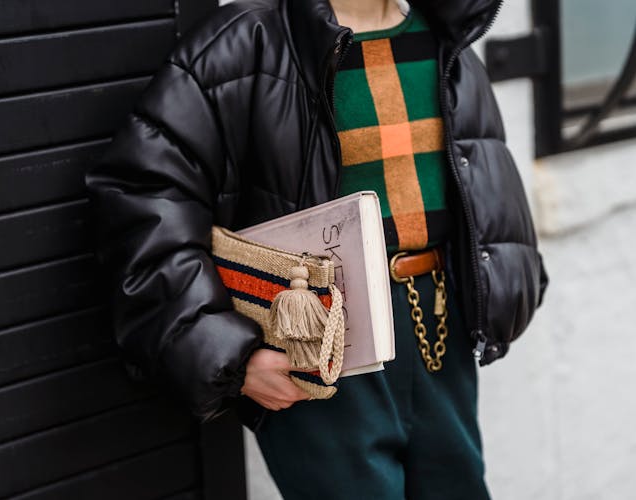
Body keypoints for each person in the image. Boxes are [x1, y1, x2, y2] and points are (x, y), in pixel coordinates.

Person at [86, 0, 548, 498]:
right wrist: (230, 354)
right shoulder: (245, 44)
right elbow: (146, 195)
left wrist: (503, 289)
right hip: (314, 337)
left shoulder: (447, 43)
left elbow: (479, 175)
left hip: (439, 324)